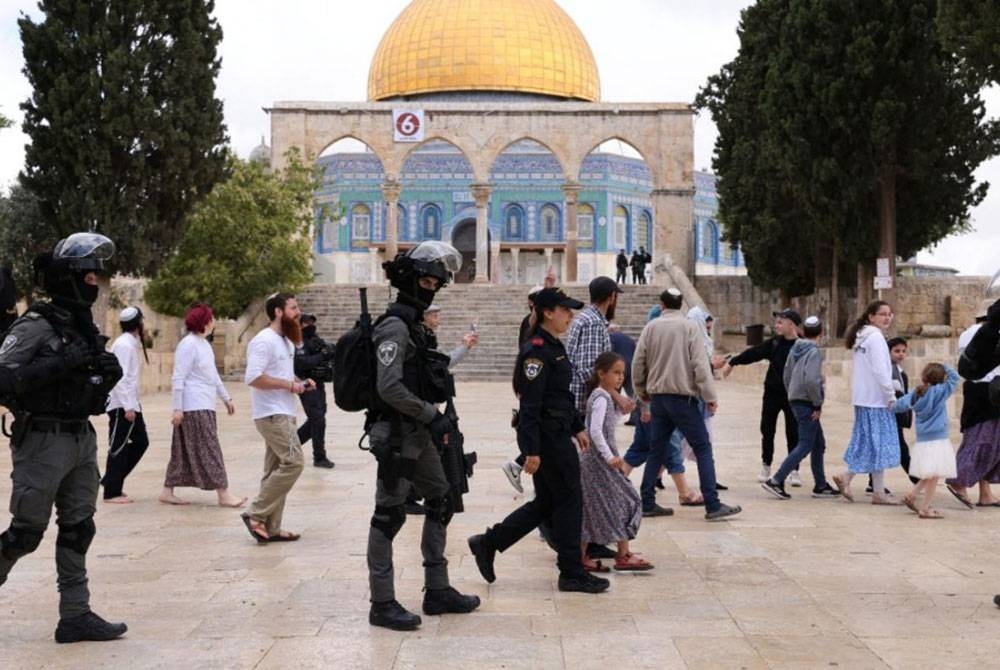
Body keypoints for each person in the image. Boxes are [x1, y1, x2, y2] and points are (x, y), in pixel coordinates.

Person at [0, 232, 128, 642]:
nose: (96, 282)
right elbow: (3, 376)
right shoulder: (36, 324)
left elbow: (85, 382)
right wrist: (59, 364)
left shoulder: (84, 327)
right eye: (89, 275)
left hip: (80, 439)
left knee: (79, 528)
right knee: (26, 534)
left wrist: (103, 373)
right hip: (42, 439)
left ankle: (75, 614)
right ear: (70, 278)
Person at [366, 241, 480, 631]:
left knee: (442, 498)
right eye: (427, 280)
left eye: (437, 282)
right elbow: (389, 388)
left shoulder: (414, 324)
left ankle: (437, 589)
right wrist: (432, 415)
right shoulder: (395, 326)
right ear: (411, 281)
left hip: (418, 432)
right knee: (389, 515)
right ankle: (381, 602)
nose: (432, 288)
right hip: (397, 435)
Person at [468, 288, 610, 594]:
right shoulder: (537, 352)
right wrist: (530, 451)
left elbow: (561, 396)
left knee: (548, 502)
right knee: (570, 500)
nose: (570, 316)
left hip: (558, 432)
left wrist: (577, 426)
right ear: (548, 312)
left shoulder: (554, 347)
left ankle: (489, 542)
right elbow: (530, 405)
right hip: (548, 439)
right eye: (565, 310)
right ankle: (571, 572)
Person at [632, 288, 742, 521]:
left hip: (659, 399)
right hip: (684, 399)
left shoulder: (651, 328)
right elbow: (700, 367)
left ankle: (647, 501)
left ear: (662, 305)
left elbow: (638, 363)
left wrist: (642, 393)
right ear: (680, 304)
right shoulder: (689, 327)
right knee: (702, 447)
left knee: (657, 449)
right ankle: (712, 504)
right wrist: (710, 397)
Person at [240, 293, 311, 543]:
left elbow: (283, 376)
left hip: (285, 411)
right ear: (278, 312)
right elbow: (253, 377)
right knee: (293, 462)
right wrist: (289, 386)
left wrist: (300, 384)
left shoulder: (287, 342)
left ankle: (270, 527)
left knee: (273, 470)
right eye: (293, 307)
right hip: (271, 413)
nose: (298, 311)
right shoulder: (263, 341)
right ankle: (255, 513)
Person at [160, 304, 245, 508]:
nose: (214, 322)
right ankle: (223, 494)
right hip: (193, 406)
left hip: (205, 404)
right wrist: (177, 408)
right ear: (205, 322)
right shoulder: (188, 344)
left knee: (181, 450)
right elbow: (178, 377)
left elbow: (213, 375)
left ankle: (167, 491)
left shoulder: (204, 344)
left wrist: (226, 398)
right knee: (211, 448)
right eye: (212, 318)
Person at [581, 352, 651, 572]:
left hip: (597, 461)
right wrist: (609, 456)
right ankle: (619, 554)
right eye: (616, 373)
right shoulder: (601, 397)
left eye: (622, 373)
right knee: (626, 499)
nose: (620, 378)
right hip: (600, 462)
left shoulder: (603, 396)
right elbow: (595, 430)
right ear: (602, 374)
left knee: (595, 507)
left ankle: (615, 553)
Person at [761, 316, 839, 499]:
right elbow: (812, 380)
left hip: (796, 399)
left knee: (818, 443)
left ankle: (820, 484)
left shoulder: (795, 348)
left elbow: (786, 374)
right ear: (821, 332)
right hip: (807, 403)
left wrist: (791, 394)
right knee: (805, 444)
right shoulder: (814, 352)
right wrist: (817, 403)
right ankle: (777, 480)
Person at [723, 308, 802, 486]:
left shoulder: (802, 346)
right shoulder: (774, 343)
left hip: (793, 396)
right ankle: (766, 466)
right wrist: (733, 362)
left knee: (793, 432)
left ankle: (794, 470)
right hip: (772, 393)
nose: (777, 325)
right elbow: (754, 354)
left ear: (791, 324)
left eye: (781, 322)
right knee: (767, 430)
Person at [832, 301, 900, 504]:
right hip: (876, 400)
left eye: (890, 314)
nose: (887, 318)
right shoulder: (876, 338)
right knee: (875, 444)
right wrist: (890, 394)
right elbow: (880, 370)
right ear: (871, 317)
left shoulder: (861, 337)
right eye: (882, 314)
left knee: (871, 443)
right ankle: (847, 476)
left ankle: (877, 491)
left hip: (863, 398)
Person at [948, 298, 1000, 508]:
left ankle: (985, 493)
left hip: (983, 391)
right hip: (985, 392)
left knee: (991, 441)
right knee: (983, 440)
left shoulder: (974, 332)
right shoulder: (981, 333)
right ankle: (959, 481)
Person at [895, 363, 960, 519]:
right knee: (934, 475)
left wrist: (890, 406)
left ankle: (911, 495)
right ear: (940, 378)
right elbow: (955, 378)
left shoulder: (917, 392)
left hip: (923, 440)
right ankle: (925, 508)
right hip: (938, 439)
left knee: (930, 474)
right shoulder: (940, 391)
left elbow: (900, 404)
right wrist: (945, 366)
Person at [101, 306, 150, 504]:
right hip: (122, 405)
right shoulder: (124, 345)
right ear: (138, 324)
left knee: (141, 442)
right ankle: (111, 491)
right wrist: (128, 406)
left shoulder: (130, 344)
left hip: (131, 404)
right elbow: (119, 378)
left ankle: (112, 479)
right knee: (118, 445)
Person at [294, 313, 335, 469]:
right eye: (306, 323)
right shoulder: (297, 341)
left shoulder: (315, 340)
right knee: (317, 420)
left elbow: (327, 356)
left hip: (319, 383)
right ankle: (319, 456)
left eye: (311, 322)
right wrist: (321, 356)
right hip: (305, 383)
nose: (310, 325)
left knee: (317, 420)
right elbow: (302, 363)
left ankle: (290, 446)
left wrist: (327, 352)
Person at [883, 337, 919, 489]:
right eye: (896, 351)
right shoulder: (886, 370)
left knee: (895, 447)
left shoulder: (899, 371)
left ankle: (873, 482)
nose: (901, 354)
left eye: (903, 351)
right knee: (901, 448)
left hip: (898, 414)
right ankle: (916, 479)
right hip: (889, 415)